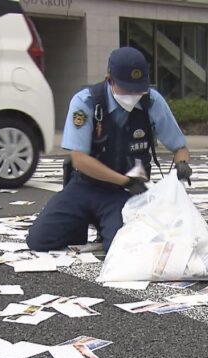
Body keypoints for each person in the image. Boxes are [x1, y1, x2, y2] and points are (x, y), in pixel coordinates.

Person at [26, 47, 192, 253]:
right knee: (39, 240)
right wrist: (125, 180)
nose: (133, 95)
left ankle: (105, 228)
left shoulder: (152, 102)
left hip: (123, 194)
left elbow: (179, 146)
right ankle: (80, 225)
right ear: (109, 80)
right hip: (85, 187)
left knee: (119, 249)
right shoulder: (86, 102)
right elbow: (79, 159)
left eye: (138, 89)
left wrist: (182, 164)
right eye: (126, 88)